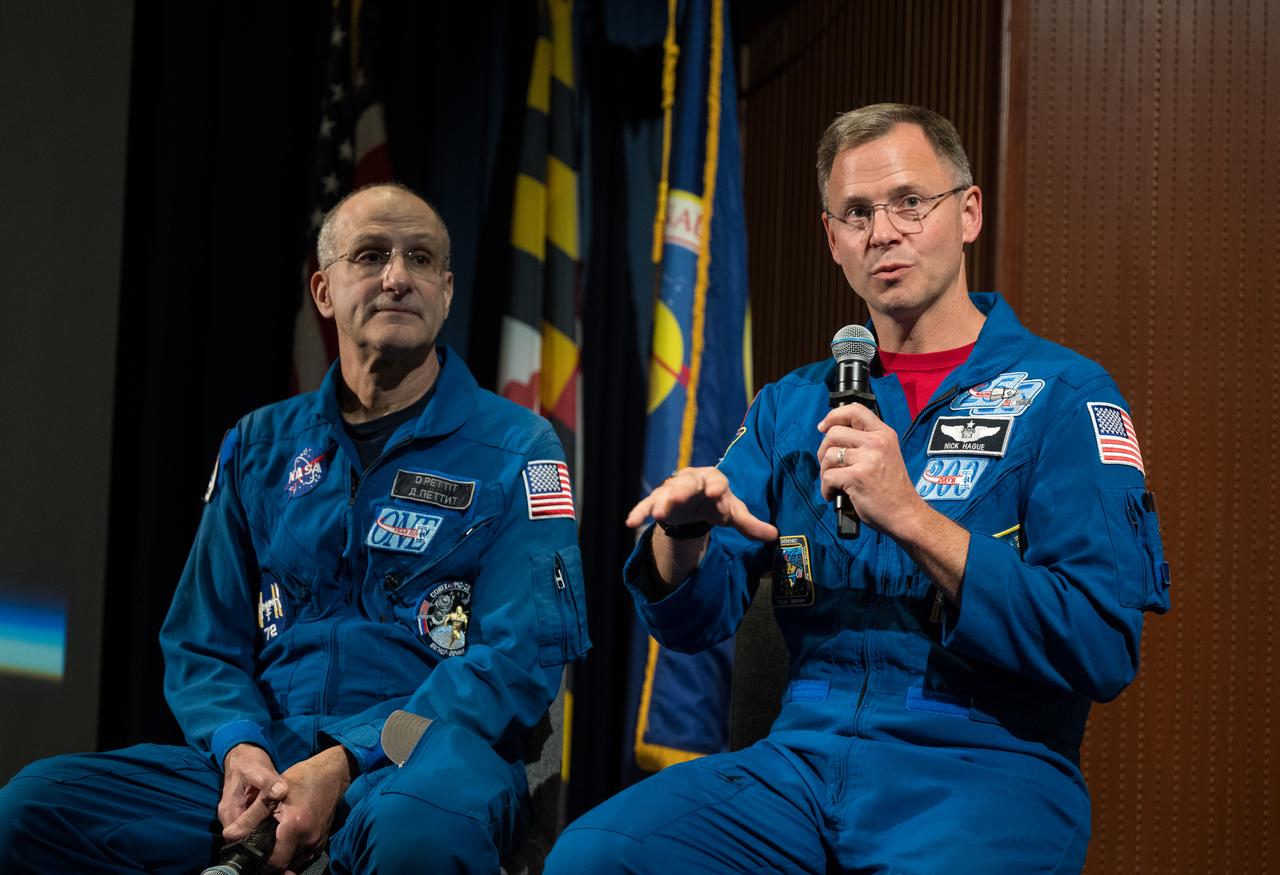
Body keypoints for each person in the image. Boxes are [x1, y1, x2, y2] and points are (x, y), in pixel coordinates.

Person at [546, 104, 1169, 873]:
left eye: (911, 201)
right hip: (804, 760)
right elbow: (692, 625)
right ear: (833, 238)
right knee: (596, 855)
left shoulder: (1064, 395)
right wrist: (684, 536)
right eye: (858, 213)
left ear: (967, 213)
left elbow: (1102, 643)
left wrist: (911, 517)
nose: (884, 231)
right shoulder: (792, 406)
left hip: (983, 767)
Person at [0, 183, 589, 874]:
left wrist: (346, 758)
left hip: (425, 760)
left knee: (416, 836)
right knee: (32, 811)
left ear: (447, 291)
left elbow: (519, 658)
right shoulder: (258, 445)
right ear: (323, 291)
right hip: (267, 759)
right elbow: (201, 640)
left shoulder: (520, 446)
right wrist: (242, 750)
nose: (398, 277)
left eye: (421, 259)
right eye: (371, 255)